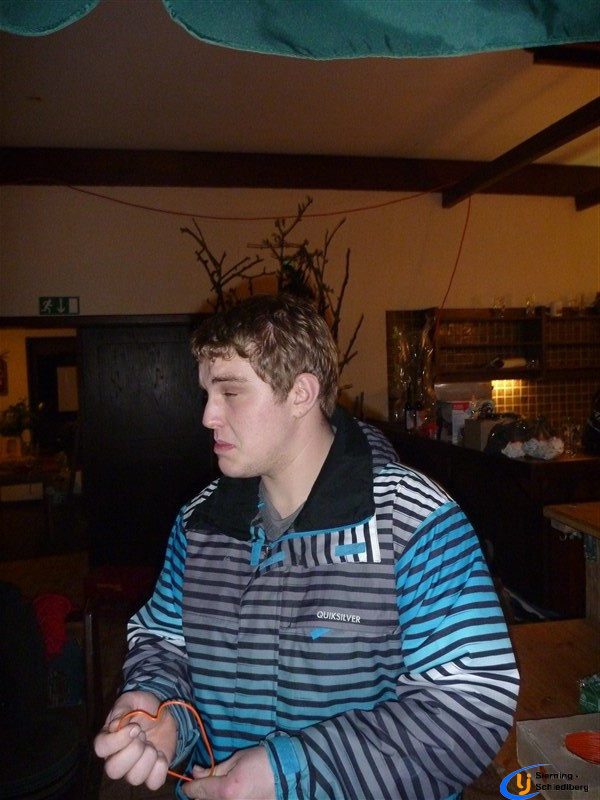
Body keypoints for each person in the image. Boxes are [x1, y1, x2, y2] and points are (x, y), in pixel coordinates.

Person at [94, 293, 519, 800]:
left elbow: (470, 703)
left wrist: (291, 773)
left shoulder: (415, 522)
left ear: (301, 394)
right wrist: (157, 707)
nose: (207, 416)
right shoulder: (199, 524)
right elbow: (166, 643)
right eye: (207, 393)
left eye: (230, 392)